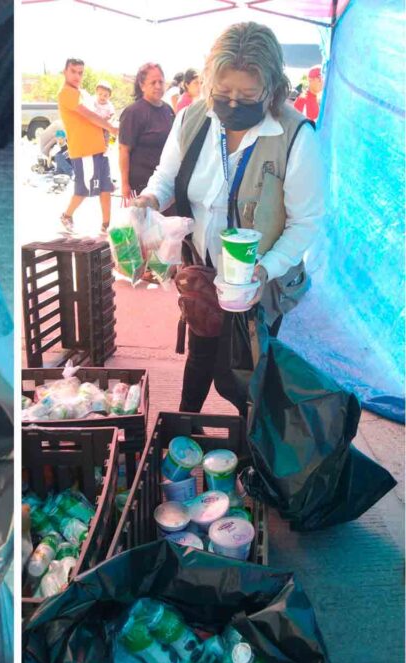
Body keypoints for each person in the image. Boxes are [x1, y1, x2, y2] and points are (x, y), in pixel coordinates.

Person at [132, 22, 323, 417]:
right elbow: (165, 178)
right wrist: (148, 201)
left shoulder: (295, 135)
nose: (233, 103)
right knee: (201, 352)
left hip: (262, 279)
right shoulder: (192, 119)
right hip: (203, 273)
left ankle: (251, 443)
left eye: (248, 95)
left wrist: (264, 271)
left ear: (272, 89)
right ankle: (186, 426)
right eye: (222, 93)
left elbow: (304, 222)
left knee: (248, 370)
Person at [57, 58, 119, 234]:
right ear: (65, 71)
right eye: (73, 71)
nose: (77, 76)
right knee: (83, 190)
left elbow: (97, 113)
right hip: (85, 151)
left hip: (99, 149)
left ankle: (106, 225)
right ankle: (67, 216)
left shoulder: (82, 93)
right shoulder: (67, 93)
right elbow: (90, 115)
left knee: (106, 188)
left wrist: (108, 122)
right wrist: (111, 128)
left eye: (80, 72)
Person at [118, 63, 174, 204]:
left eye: (161, 82)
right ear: (142, 86)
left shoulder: (168, 110)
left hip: (163, 185)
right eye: (153, 82)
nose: (158, 86)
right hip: (140, 185)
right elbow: (124, 150)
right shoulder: (133, 113)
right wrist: (125, 184)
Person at [92, 81, 116, 146]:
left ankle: (109, 145)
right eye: (100, 94)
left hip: (105, 125)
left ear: (109, 96)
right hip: (95, 124)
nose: (102, 97)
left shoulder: (109, 105)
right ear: (96, 93)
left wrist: (110, 121)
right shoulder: (94, 102)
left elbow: (113, 115)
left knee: (112, 131)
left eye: (105, 95)